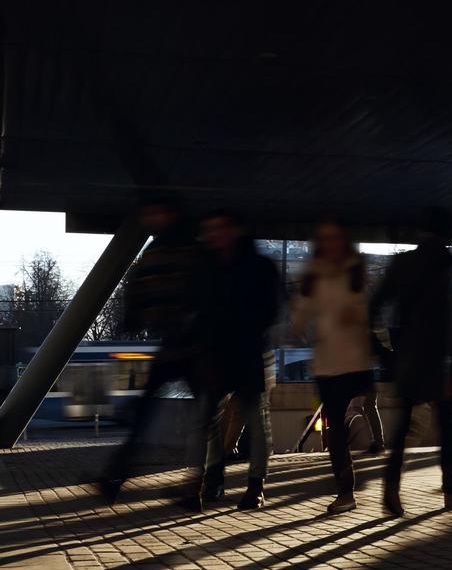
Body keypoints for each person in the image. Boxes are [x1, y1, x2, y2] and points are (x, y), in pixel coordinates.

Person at [99, 197, 202, 504]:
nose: (150, 219)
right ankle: (196, 483)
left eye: (154, 213)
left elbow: (141, 286)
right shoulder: (176, 249)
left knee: (154, 412)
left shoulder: (177, 251)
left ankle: (117, 476)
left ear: (169, 213)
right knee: (201, 415)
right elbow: (140, 286)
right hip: (179, 343)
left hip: (188, 344)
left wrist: (135, 315)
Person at [371, 218, 452, 514]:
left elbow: (376, 304)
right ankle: (451, 490)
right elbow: (446, 319)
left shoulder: (405, 264)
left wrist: (385, 352)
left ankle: (391, 490)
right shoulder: (445, 264)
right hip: (437, 358)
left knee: (403, 427)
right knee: (447, 426)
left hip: (409, 355)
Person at [193, 211, 279, 511]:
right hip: (223, 353)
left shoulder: (254, 267)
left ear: (235, 231)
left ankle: (250, 485)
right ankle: (222, 479)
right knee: (218, 420)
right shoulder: (213, 266)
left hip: (246, 352)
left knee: (253, 420)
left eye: (219, 228)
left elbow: (269, 311)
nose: (213, 235)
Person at [290, 220, 376, 513]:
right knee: (336, 428)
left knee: (353, 419)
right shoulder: (314, 275)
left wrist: (353, 316)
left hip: (355, 360)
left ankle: (369, 478)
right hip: (328, 364)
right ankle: (345, 492)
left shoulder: (356, 270)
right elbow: (301, 314)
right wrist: (298, 326)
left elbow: (364, 309)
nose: (330, 244)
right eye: (325, 239)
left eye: (335, 238)